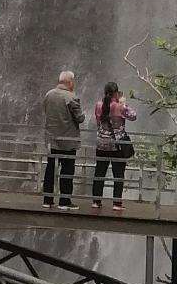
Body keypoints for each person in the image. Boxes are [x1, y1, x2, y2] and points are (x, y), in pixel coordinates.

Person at [91, 80, 138, 208]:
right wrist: (123, 103)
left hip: (102, 144)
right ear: (116, 93)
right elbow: (133, 116)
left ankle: (96, 201)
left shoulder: (98, 105)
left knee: (99, 172)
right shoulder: (120, 107)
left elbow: (97, 122)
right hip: (117, 145)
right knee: (118, 174)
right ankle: (117, 203)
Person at [42, 68, 84, 208]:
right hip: (68, 141)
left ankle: (47, 200)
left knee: (50, 168)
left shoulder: (48, 94)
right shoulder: (71, 97)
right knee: (67, 170)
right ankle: (64, 201)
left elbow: (46, 111)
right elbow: (80, 118)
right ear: (70, 82)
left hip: (52, 140)